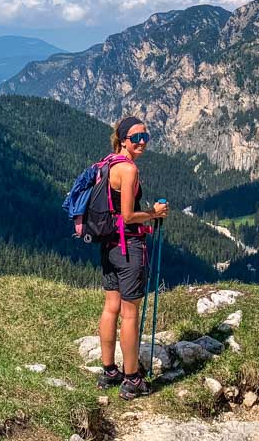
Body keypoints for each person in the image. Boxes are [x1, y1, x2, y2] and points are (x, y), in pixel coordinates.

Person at [96, 115, 168, 400]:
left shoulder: (109, 162)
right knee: (129, 313)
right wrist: (154, 214)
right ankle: (132, 378)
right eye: (136, 138)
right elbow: (127, 215)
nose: (142, 143)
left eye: (145, 137)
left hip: (109, 245)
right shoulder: (129, 171)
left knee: (110, 306)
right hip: (128, 249)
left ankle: (109, 370)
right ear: (124, 139)